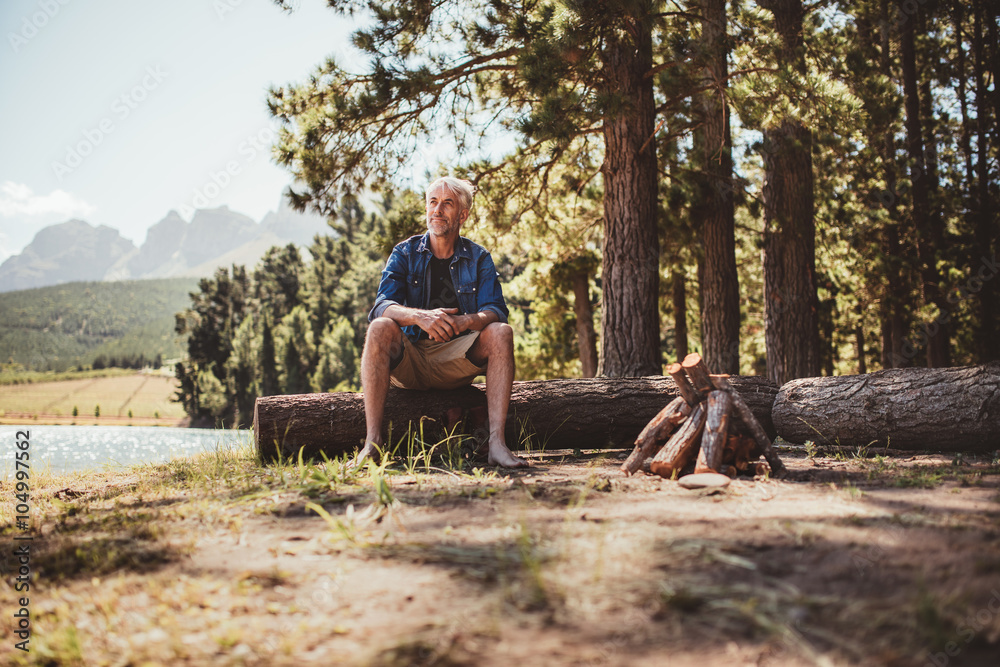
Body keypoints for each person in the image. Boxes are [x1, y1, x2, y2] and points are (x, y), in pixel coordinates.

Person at [355, 176, 529, 468]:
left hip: (454, 362)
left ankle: (497, 444)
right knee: (380, 327)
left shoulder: (478, 257)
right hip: (408, 359)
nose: (437, 210)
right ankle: (372, 444)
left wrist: (465, 322)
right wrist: (420, 316)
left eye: (447, 203)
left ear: (462, 214)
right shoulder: (405, 252)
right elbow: (381, 306)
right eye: (432, 202)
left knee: (501, 332)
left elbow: (496, 310)